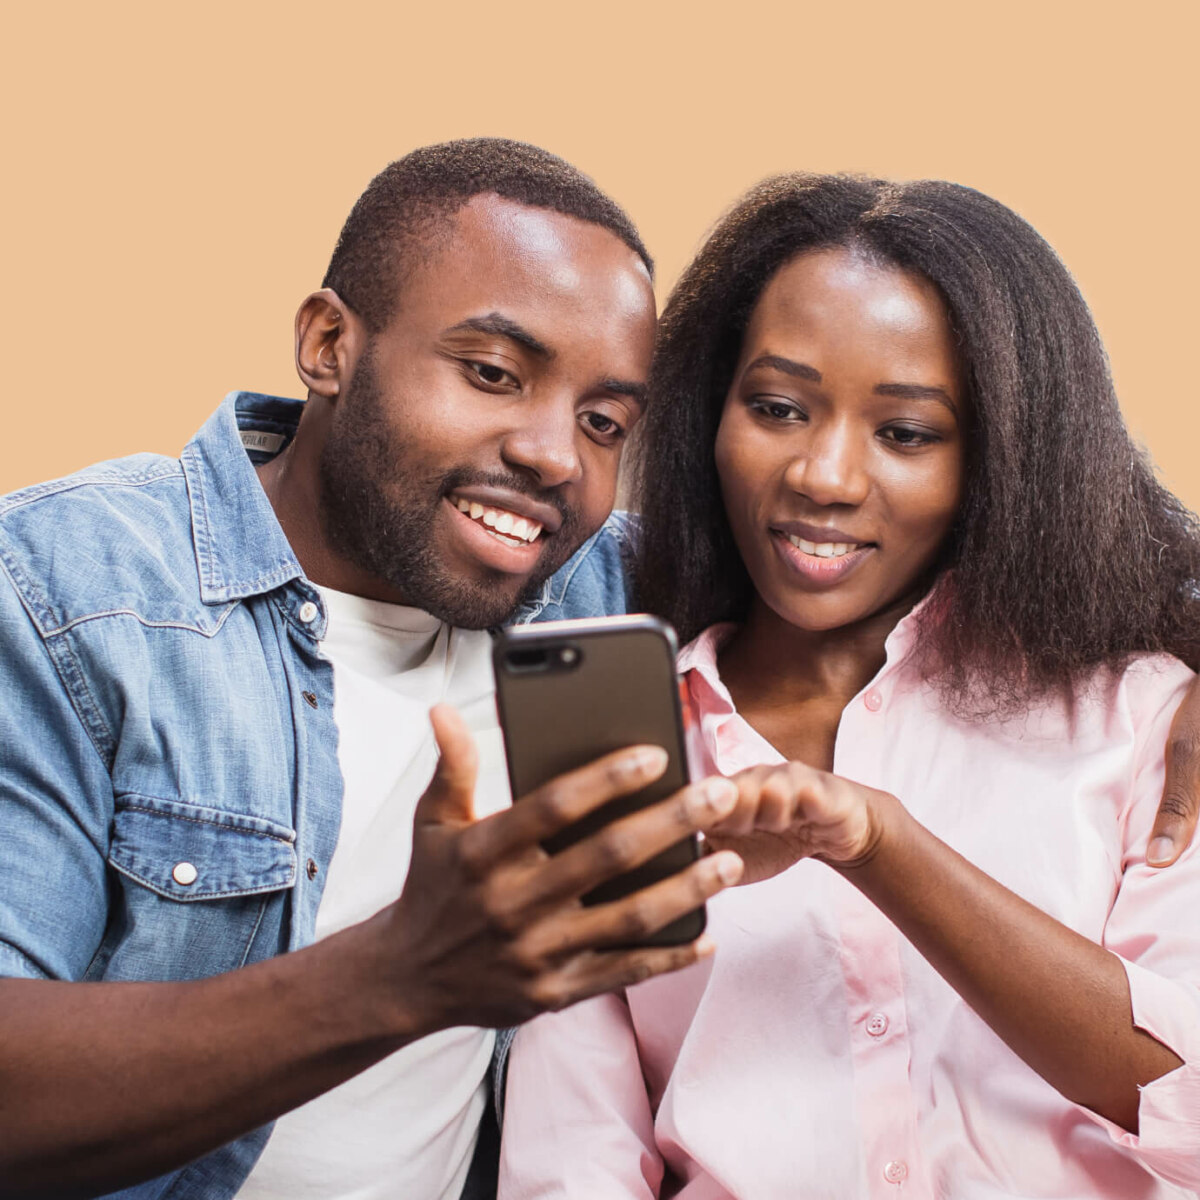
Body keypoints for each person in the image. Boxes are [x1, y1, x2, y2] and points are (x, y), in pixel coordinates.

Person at [0, 139, 749, 1200]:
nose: (554, 456)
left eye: (604, 424)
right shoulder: (67, 589)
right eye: (493, 374)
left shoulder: (611, 594)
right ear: (328, 345)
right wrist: (404, 973)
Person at [498, 174, 1200, 1198]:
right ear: (711, 413)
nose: (823, 476)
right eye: (778, 409)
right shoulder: (619, 749)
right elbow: (573, 1161)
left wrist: (882, 846)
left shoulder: (1140, 719)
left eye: (906, 432)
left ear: (1000, 455)